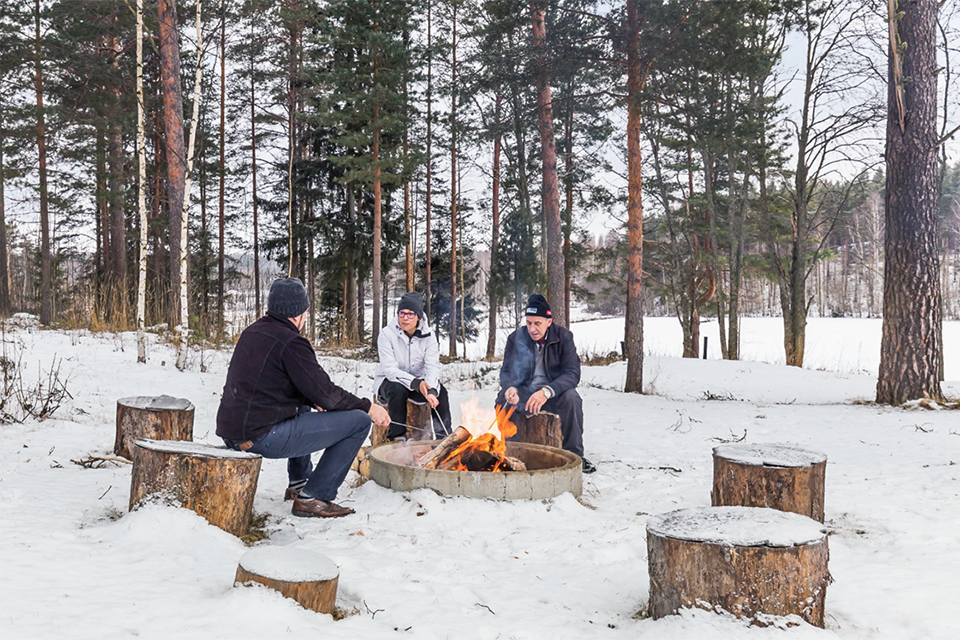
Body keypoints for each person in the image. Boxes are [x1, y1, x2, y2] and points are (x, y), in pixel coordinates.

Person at [217, 278, 390, 518]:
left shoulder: (253, 332)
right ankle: (314, 497)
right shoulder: (291, 342)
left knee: (305, 407)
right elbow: (326, 393)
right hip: (260, 437)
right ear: (299, 314)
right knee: (359, 422)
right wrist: (369, 407)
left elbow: (273, 384)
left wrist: (312, 399)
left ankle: (299, 483)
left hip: (234, 432)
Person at [496, 293, 596, 473]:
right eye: (529, 323)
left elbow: (572, 373)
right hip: (525, 393)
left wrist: (547, 391)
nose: (532, 329)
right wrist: (510, 387)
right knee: (502, 401)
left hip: (553, 393)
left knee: (572, 398)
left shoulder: (563, 337)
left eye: (537, 323)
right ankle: (513, 455)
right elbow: (506, 371)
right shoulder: (516, 338)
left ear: (549, 321)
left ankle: (575, 456)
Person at [373, 291, 452, 440]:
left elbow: (432, 366)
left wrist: (431, 389)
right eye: (402, 313)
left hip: (419, 383)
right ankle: (397, 437)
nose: (405, 318)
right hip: (389, 382)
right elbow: (390, 370)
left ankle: (444, 437)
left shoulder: (429, 336)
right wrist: (416, 383)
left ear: (418, 317)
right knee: (397, 389)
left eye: (410, 314)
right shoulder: (386, 334)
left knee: (441, 392)